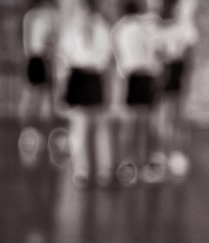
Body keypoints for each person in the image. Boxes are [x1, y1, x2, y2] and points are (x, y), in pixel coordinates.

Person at [56, 0, 113, 187]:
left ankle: (104, 170)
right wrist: (63, 86)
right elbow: (65, 56)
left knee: (100, 125)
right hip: (78, 77)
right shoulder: (70, 29)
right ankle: (81, 170)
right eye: (79, 11)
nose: (82, 14)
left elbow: (105, 56)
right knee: (78, 127)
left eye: (84, 10)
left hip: (94, 77)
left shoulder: (101, 27)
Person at [111, 0, 166, 186]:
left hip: (130, 77)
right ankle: (141, 163)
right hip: (143, 76)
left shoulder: (119, 28)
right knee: (144, 123)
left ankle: (129, 164)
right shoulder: (144, 28)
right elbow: (157, 53)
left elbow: (118, 57)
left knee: (131, 122)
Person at [156, 0, 199, 180]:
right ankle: (162, 152)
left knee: (176, 114)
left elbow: (189, 53)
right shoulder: (156, 27)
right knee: (162, 115)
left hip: (175, 70)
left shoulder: (184, 28)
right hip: (162, 70)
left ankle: (177, 152)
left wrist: (184, 75)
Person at [19, 0, 58, 168]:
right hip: (40, 59)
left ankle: (32, 133)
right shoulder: (43, 16)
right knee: (40, 97)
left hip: (34, 58)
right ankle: (35, 134)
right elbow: (49, 40)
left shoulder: (31, 16)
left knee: (35, 96)